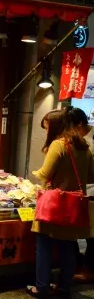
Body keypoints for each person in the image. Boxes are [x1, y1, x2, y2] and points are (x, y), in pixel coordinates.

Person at [27, 109, 94, 298]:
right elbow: (90, 176)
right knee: (68, 247)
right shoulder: (84, 146)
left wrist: (34, 176)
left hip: (54, 204)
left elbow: (45, 173)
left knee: (44, 246)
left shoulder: (59, 144)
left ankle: (41, 287)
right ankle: (64, 287)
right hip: (73, 206)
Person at [65, 107, 94, 282]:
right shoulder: (83, 139)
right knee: (84, 230)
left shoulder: (91, 140)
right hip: (86, 192)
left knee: (92, 233)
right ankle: (82, 264)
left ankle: (90, 270)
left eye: (71, 128)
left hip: (93, 192)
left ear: (80, 124)